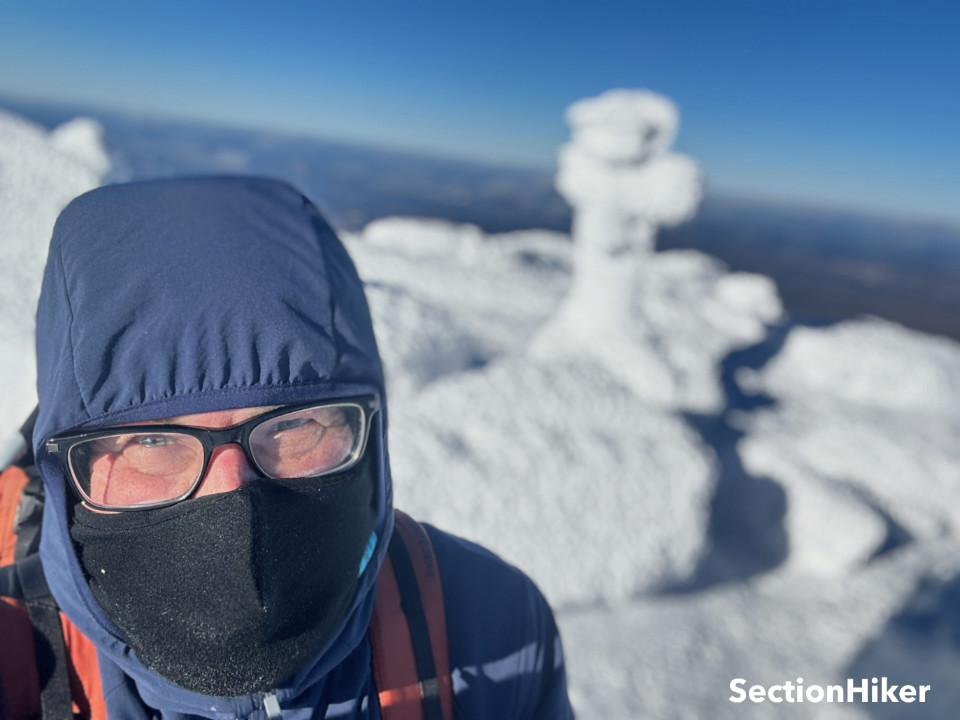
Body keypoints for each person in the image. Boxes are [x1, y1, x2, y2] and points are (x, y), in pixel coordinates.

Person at [7, 176, 573, 718]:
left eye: (292, 424)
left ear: (368, 432)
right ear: (62, 467)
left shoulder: (490, 622)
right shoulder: (17, 655)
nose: (232, 493)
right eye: (151, 438)